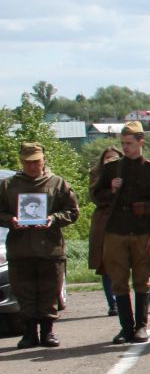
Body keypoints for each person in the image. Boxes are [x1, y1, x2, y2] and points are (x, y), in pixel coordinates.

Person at [91, 121, 150, 345]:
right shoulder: (112, 168)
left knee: (142, 280)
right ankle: (126, 327)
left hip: (143, 231)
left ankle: (141, 327)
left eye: (129, 143)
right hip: (116, 231)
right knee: (118, 281)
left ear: (141, 142)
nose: (125, 147)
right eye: (123, 143)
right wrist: (111, 189)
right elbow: (95, 196)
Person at [3, 142, 81, 349]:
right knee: (24, 292)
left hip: (50, 249)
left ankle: (48, 332)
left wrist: (53, 219)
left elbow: (72, 211)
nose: (33, 166)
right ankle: (29, 333)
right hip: (21, 250)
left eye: (36, 161)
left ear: (43, 159)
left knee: (49, 291)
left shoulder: (57, 183)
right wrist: (10, 220)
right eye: (28, 162)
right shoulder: (9, 186)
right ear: (21, 161)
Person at [87, 146, 121, 318]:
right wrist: (111, 188)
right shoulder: (96, 174)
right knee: (106, 264)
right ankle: (113, 303)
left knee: (135, 263)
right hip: (104, 221)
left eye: (115, 158)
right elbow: (94, 196)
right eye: (108, 158)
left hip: (124, 220)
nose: (111, 161)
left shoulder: (127, 171)